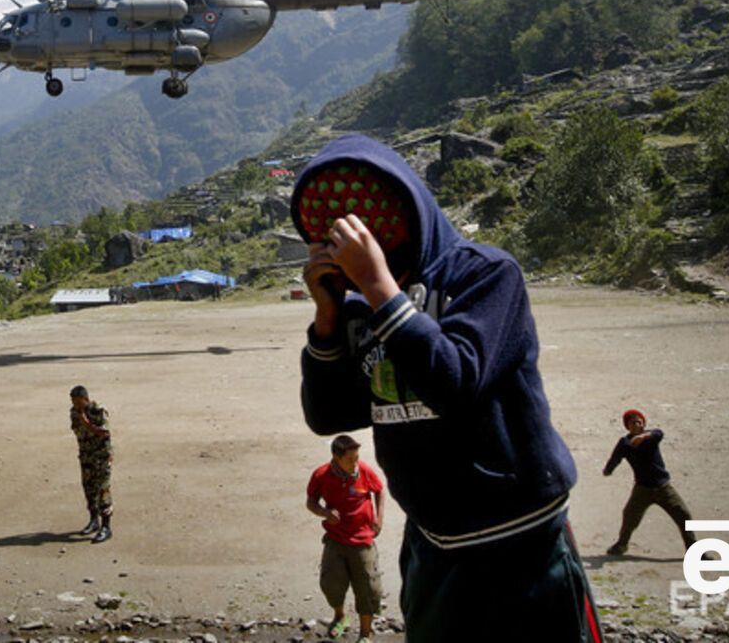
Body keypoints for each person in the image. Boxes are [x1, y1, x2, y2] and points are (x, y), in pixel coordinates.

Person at [294, 135, 601, 642]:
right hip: (434, 543)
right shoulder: (363, 311)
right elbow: (328, 415)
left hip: (521, 541)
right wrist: (327, 319)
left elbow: (455, 380)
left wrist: (377, 287)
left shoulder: (485, 275)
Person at [306, 434, 385, 642]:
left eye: (357, 457)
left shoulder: (364, 471)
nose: (354, 463)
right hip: (336, 539)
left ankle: (365, 634)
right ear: (335, 457)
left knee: (368, 588)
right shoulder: (321, 475)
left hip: (362, 541)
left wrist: (379, 518)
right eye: (350, 459)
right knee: (331, 583)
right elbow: (311, 502)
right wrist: (325, 513)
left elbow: (379, 490)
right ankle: (341, 616)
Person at [603, 409, 697, 557]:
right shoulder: (625, 443)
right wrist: (608, 470)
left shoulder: (651, 437)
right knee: (629, 517)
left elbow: (659, 433)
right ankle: (621, 545)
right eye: (632, 422)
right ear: (627, 426)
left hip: (664, 488)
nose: (637, 424)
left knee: (683, 515)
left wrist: (645, 436)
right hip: (642, 490)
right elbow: (615, 457)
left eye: (639, 421)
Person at [69, 384, 112, 543]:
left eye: (79, 402)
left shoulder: (99, 410)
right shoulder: (74, 412)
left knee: (103, 490)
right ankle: (94, 521)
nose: (76, 406)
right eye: (74, 402)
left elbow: (104, 432)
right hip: (86, 456)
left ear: (86, 399)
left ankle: (106, 527)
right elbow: (77, 431)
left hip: (101, 457)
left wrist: (86, 422)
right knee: (89, 489)